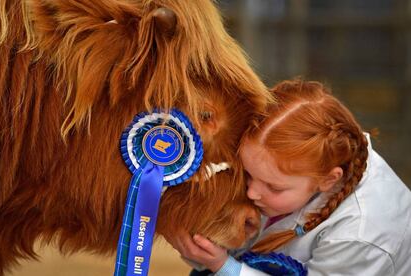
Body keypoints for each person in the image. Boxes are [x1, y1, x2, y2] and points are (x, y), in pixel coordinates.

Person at [166, 79, 411, 275]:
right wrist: (203, 252)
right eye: (249, 175)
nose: (251, 193)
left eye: (274, 187)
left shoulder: (362, 235)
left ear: (328, 180)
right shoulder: (309, 165)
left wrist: (225, 268)